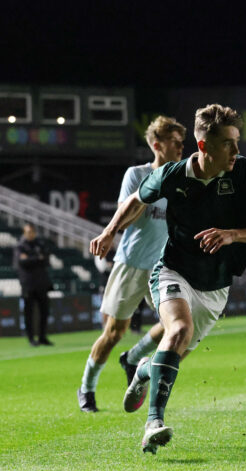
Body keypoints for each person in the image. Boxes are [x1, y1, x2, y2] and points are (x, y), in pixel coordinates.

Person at [90, 104, 246, 453]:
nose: (236, 150)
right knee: (178, 330)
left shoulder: (245, 171)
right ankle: (153, 424)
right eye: (228, 143)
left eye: (237, 141)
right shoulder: (172, 175)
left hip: (217, 285)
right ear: (204, 146)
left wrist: (233, 235)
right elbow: (135, 200)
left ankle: (143, 370)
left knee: (174, 354)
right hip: (173, 269)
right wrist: (110, 231)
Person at [77, 115, 186, 413]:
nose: (181, 147)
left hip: (163, 267)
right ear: (156, 145)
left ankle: (134, 357)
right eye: (174, 142)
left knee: (176, 325)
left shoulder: (181, 178)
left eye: (182, 142)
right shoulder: (136, 175)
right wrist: (151, 190)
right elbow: (125, 219)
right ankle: (86, 387)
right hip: (131, 263)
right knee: (114, 333)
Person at [14, 224, 53, 346]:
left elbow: (46, 260)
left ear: (35, 233)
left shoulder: (40, 244)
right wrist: (37, 258)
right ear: (24, 233)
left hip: (41, 284)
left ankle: (42, 337)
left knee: (44, 312)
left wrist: (31, 258)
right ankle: (31, 338)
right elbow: (22, 262)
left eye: (31, 232)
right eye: (27, 232)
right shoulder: (20, 246)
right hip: (28, 285)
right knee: (29, 313)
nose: (30, 234)